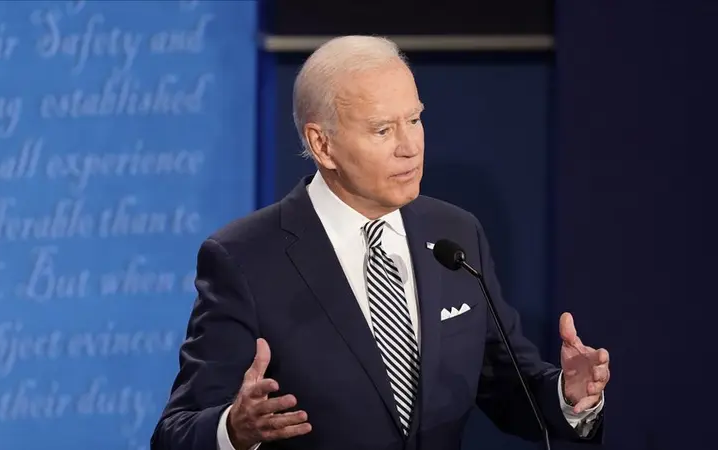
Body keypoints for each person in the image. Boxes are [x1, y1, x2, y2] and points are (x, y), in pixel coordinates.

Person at [150, 35, 609, 450]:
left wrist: (568, 395)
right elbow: (175, 433)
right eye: (383, 130)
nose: (410, 146)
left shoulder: (454, 232)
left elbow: (506, 381)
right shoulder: (244, 258)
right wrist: (234, 429)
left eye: (414, 119)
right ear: (322, 144)